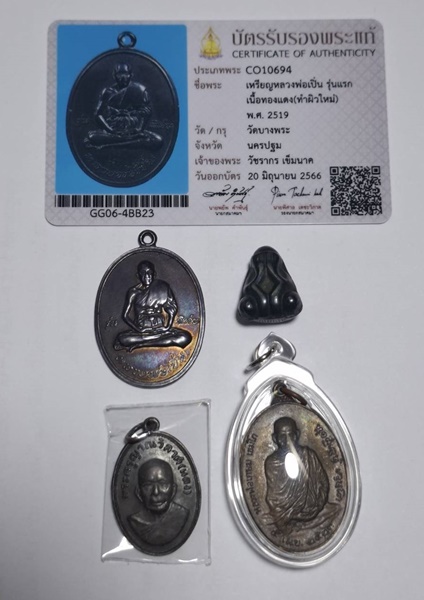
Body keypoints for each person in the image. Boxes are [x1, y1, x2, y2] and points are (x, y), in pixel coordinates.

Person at [264, 417, 331, 532]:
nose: (287, 441)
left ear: (297, 435)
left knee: (335, 510)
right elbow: (274, 497)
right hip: (285, 514)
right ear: (274, 438)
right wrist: (287, 514)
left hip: (313, 509)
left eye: (290, 435)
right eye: (282, 436)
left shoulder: (309, 456)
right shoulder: (272, 463)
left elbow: (323, 483)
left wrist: (317, 505)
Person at [114, 260, 192, 351]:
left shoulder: (163, 287)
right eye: (143, 273)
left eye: (149, 273)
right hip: (142, 331)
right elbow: (125, 316)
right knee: (123, 338)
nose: (146, 276)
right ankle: (157, 341)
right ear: (138, 275)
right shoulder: (133, 292)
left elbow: (172, 309)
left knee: (185, 337)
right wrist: (139, 330)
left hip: (160, 329)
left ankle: (140, 345)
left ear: (154, 274)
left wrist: (167, 327)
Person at [85, 63, 162, 149]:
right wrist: (110, 130)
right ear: (114, 76)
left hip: (134, 130)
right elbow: (98, 115)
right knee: (92, 137)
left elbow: (147, 111)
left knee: (158, 140)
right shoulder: (107, 92)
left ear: (131, 75)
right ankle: (131, 142)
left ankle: (112, 145)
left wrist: (139, 129)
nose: (123, 77)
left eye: (126, 74)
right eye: (119, 74)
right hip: (113, 130)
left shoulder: (139, 89)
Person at [128, 459, 188, 546]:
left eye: (163, 484)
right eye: (148, 485)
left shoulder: (182, 516)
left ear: (173, 490)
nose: (156, 492)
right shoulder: (134, 522)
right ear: (139, 493)